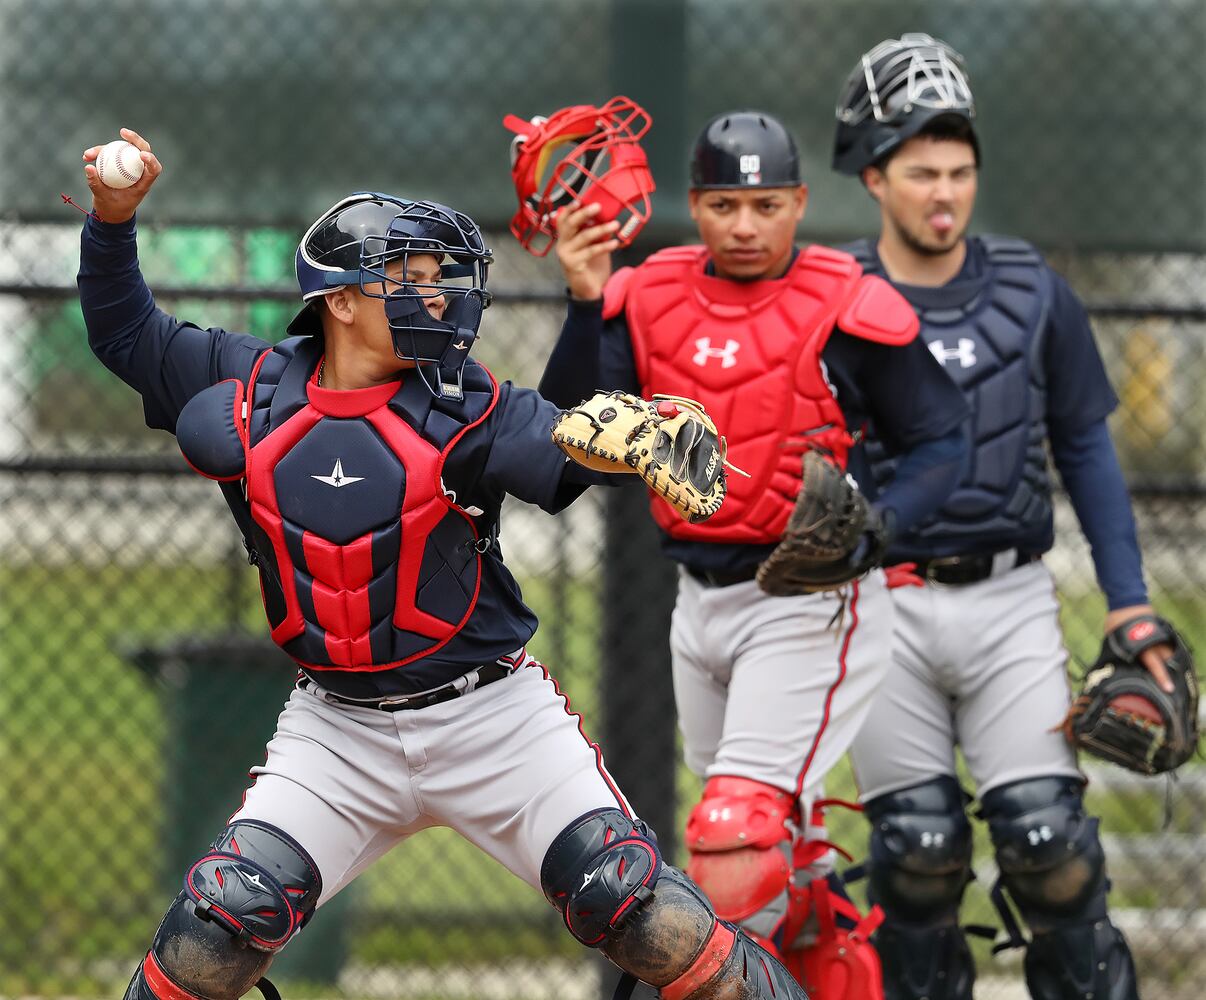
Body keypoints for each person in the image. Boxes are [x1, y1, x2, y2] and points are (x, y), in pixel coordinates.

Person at [77, 128, 812, 1000]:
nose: (438, 300)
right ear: (341, 301)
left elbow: (562, 450)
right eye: (412, 281)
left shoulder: (468, 403)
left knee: (644, 914)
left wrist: (623, 442)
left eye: (440, 281)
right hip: (337, 731)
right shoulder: (247, 386)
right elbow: (126, 333)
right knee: (214, 933)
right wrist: (112, 221)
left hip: (492, 719)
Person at [536, 109, 971, 996]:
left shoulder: (844, 298)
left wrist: (876, 529)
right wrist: (585, 299)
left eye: (766, 204)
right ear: (694, 205)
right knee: (767, 851)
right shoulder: (644, 294)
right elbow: (565, 441)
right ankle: (831, 962)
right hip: (697, 602)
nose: (744, 225)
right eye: (725, 204)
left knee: (734, 838)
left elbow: (942, 440)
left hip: (811, 599)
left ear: (800, 204)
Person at [831, 33, 1170, 1000]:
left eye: (961, 172)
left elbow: (1089, 452)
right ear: (875, 178)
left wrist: (1129, 602)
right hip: (882, 602)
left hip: (1010, 597)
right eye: (922, 172)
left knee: (1048, 843)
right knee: (917, 854)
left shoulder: (1032, 292)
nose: (945, 192)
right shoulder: (832, 297)